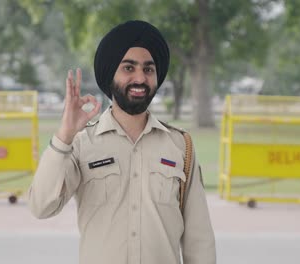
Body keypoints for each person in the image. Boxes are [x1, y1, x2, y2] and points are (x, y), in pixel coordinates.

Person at [28, 20, 216, 264]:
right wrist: (64, 135)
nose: (140, 78)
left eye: (148, 69)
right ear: (111, 74)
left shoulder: (180, 146)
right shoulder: (82, 145)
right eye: (129, 68)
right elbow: (41, 206)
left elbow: (198, 240)